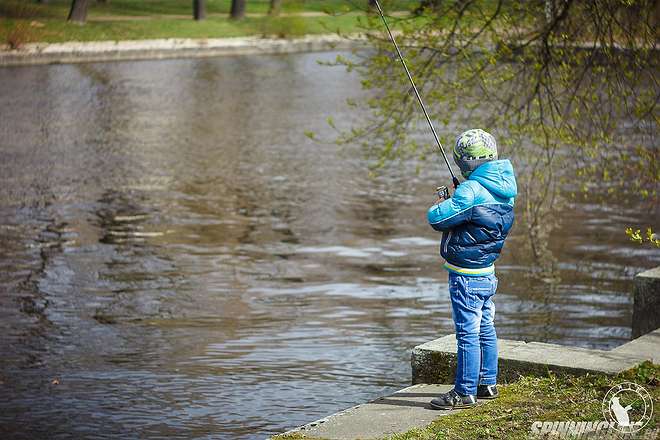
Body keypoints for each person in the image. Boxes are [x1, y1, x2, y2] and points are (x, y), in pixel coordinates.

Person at [426, 128, 517, 410]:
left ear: (465, 163)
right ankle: (487, 383)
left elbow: (437, 218)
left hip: (465, 276)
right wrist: (462, 199)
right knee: (486, 327)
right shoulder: (505, 189)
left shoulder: (471, 190)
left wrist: (445, 201)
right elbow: (479, 219)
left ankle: (464, 392)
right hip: (488, 273)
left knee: (467, 332)